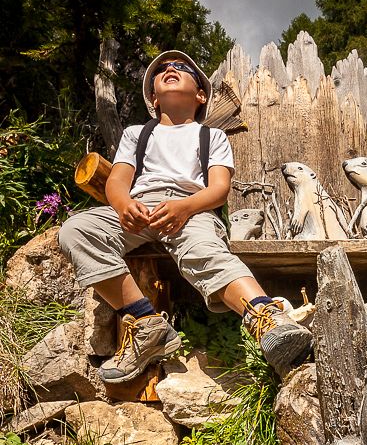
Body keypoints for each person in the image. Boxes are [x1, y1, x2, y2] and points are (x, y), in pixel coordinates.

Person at [59, 50, 313, 381]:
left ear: (200, 94)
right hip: (140, 206)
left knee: (203, 249)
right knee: (76, 230)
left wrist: (185, 207)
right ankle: (147, 324)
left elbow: (219, 189)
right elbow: (118, 180)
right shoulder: (137, 134)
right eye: (161, 70)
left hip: (193, 207)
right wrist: (123, 206)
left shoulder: (211, 136)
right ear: (153, 97)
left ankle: (264, 315)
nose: (169, 69)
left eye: (180, 67)